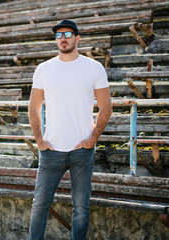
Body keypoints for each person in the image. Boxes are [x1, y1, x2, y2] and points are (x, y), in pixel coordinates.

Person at [27, 19, 112, 240]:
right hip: (51, 151)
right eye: (58, 35)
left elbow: (106, 107)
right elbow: (34, 108)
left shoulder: (93, 68)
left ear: (77, 38)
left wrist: (92, 139)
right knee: (39, 206)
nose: (62, 39)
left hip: (82, 151)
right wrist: (40, 140)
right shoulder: (44, 69)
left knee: (81, 208)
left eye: (67, 34)